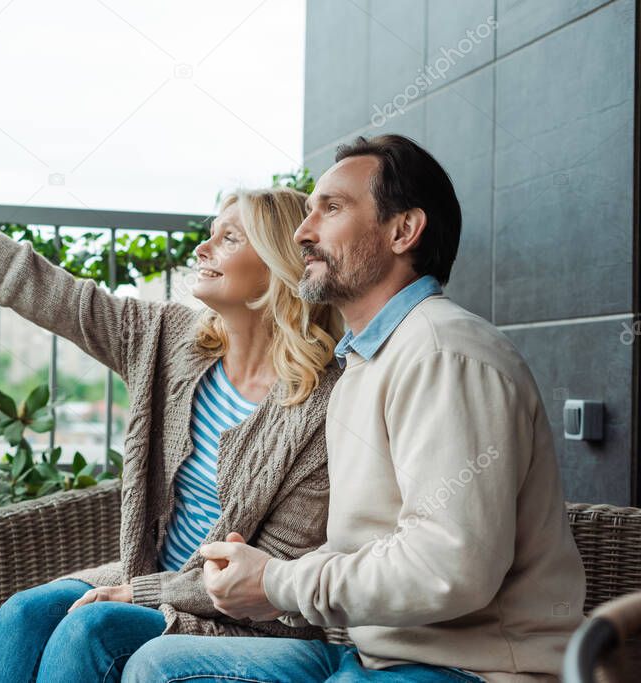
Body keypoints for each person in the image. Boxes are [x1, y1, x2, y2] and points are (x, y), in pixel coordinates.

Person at [0, 120, 345, 682]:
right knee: (27, 610)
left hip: (244, 619)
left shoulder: (318, 405)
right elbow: (42, 288)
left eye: (229, 238)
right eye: (211, 231)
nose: (203, 246)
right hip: (149, 579)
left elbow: (266, 574)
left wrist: (141, 592)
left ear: (275, 270)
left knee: (89, 630)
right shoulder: (169, 339)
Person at [123, 134, 587, 683]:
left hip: (470, 669)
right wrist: (269, 582)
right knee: (140, 651)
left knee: (162, 671)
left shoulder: (444, 354)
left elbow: (449, 568)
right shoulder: (363, 364)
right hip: (376, 655)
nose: (303, 231)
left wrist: (277, 584)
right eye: (309, 210)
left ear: (402, 231)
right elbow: (362, 550)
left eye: (332, 208)